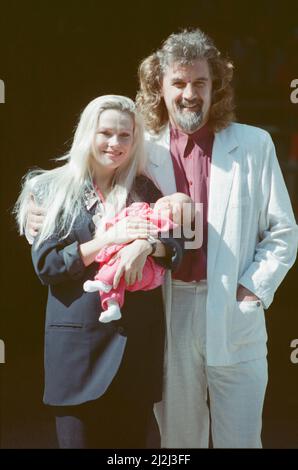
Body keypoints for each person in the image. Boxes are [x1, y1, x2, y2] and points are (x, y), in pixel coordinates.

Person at [26, 29, 298, 448]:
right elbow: (76, 182)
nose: (189, 94)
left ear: (216, 87)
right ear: (160, 86)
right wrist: (27, 208)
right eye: (178, 83)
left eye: (200, 83)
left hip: (233, 305)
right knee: (179, 441)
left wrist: (252, 289)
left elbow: (283, 230)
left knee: (242, 439)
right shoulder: (139, 145)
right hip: (168, 309)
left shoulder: (254, 144)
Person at [14, 95, 185, 449]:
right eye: (106, 133)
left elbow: (178, 246)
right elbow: (47, 265)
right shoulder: (51, 189)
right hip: (78, 354)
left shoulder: (144, 188)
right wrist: (108, 239)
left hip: (136, 352)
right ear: (87, 134)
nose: (115, 143)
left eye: (125, 136)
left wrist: (147, 245)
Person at [83, 196, 184, 323]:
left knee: (117, 264)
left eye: (176, 210)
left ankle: (103, 281)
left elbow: (173, 244)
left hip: (148, 268)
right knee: (115, 265)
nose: (169, 204)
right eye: (169, 199)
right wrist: (112, 228)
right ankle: (112, 306)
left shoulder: (167, 225)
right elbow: (122, 217)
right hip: (123, 250)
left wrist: (147, 244)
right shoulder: (141, 207)